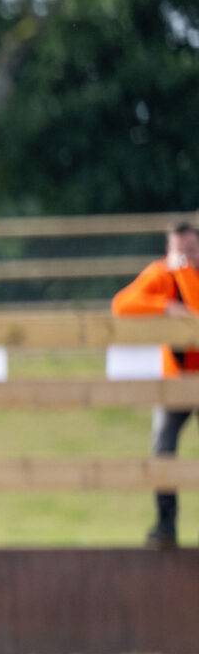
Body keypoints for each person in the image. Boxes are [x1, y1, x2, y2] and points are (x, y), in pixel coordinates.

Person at [111, 219, 199, 549]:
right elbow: (122, 305)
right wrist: (164, 305)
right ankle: (166, 526)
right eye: (180, 251)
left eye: (192, 250)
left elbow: (196, 313)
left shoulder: (185, 275)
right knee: (163, 449)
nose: (186, 257)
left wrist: (185, 275)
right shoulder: (161, 274)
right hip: (174, 380)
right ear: (168, 250)